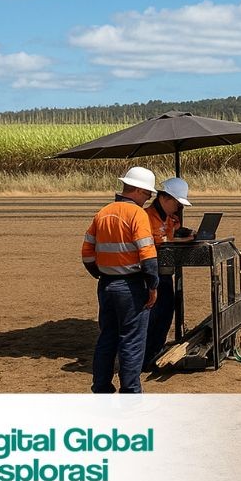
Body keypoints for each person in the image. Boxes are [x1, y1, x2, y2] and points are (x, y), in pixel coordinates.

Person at [81, 166, 159, 393]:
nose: (148, 199)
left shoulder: (102, 213)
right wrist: (153, 285)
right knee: (132, 342)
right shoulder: (138, 215)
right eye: (147, 194)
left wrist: (100, 274)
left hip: (106, 284)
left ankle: (101, 388)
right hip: (132, 285)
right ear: (136, 190)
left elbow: (87, 253)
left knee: (107, 339)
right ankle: (131, 393)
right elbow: (147, 254)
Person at [143, 177, 193, 367]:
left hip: (165, 274)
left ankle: (155, 351)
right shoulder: (146, 216)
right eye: (177, 203)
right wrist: (177, 240)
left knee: (166, 312)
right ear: (165, 198)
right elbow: (154, 241)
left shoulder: (170, 218)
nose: (178, 207)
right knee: (153, 315)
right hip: (151, 274)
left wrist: (181, 230)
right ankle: (145, 356)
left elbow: (170, 234)